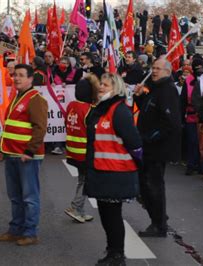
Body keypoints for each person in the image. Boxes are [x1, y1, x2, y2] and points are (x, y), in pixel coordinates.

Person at [85, 73, 142, 266]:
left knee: (113, 216)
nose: (100, 87)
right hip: (102, 171)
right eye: (100, 83)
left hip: (116, 172)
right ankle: (112, 251)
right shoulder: (102, 108)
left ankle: (117, 255)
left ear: (116, 88)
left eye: (105, 84)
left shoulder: (118, 110)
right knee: (107, 216)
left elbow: (134, 141)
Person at [0, 64, 48, 246]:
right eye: (15, 75)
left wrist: (29, 151)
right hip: (12, 153)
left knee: (29, 197)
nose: (16, 78)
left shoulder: (35, 99)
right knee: (15, 196)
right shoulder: (18, 97)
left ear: (31, 79)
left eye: (21, 75)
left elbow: (40, 128)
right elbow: (10, 126)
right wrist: (3, 149)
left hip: (25, 156)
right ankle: (15, 229)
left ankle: (30, 232)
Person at [134, 58, 181, 237]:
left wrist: (148, 138)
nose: (154, 71)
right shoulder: (156, 89)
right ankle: (159, 216)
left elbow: (170, 123)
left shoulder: (167, 90)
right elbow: (149, 110)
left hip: (157, 148)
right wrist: (140, 97)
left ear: (168, 72)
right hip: (149, 147)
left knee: (153, 186)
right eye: (153, 68)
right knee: (145, 185)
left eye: (158, 69)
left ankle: (159, 223)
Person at [64, 74, 98, 223]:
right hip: (85, 152)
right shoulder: (90, 110)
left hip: (72, 151)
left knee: (82, 180)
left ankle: (80, 210)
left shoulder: (72, 105)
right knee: (86, 181)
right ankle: (76, 207)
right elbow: (94, 133)